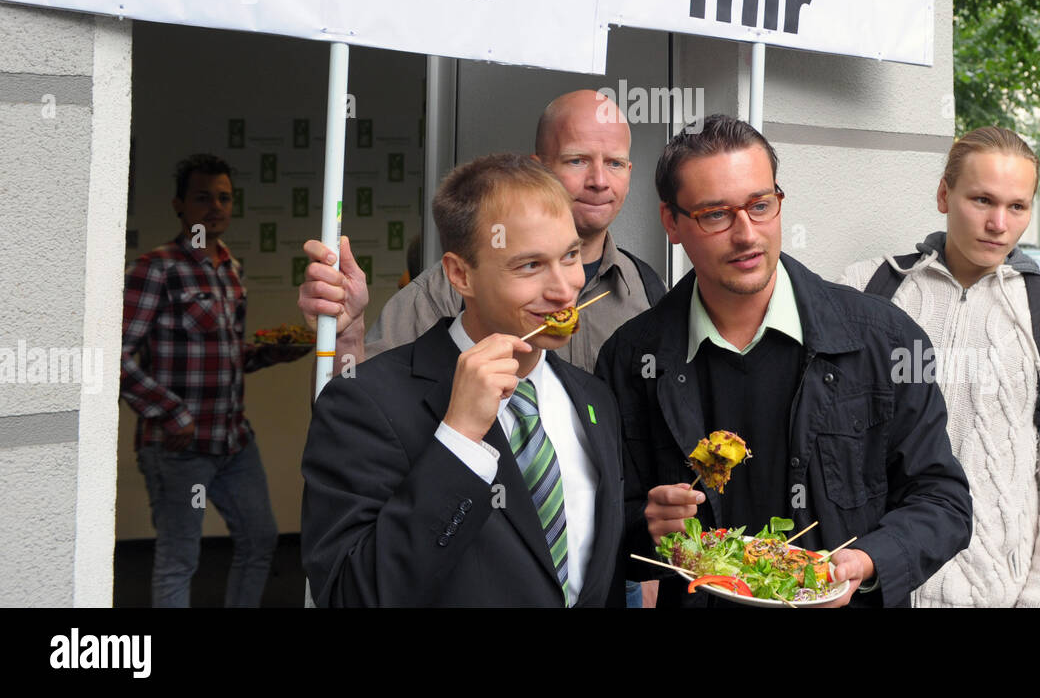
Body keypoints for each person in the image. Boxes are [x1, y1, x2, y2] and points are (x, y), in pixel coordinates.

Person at [596, 115, 972, 608]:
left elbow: (943, 501)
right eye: (715, 214)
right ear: (672, 222)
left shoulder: (884, 340)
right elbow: (599, 528)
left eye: (760, 205)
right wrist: (644, 525)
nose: (746, 234)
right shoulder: (631, 358)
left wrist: (871, 559)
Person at [300, 154, 623, 607]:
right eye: (529, 266)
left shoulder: (593, 398)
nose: (564, 288)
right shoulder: (365, 403)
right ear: (459, 274)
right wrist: (459, 440)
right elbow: (350, 595)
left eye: (570, 256)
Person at [841, 126, 1040, 607]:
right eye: (982, 200)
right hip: (866, 588)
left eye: (1017, 206)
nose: (998, 223)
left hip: (993, 597)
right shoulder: (864, 290)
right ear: (944, 194)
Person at [298, 89, 665, 374]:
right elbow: (359, 415)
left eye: (615, 163)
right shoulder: (447, 288)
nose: (600, 181)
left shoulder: (648, 292)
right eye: (577, 161)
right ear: (538, 169)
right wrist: (346, 337)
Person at [121, 154, 307, 608]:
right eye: (202, 197)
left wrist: (270, 354)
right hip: (178, 445)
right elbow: (115, 357)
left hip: (233, 440)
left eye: (224, 198)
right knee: (179, 559)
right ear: (179, 205)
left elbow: (225, 355)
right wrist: (172, 412)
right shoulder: (157, 268)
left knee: (260, 540)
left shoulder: (230, 268)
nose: (215, 207)